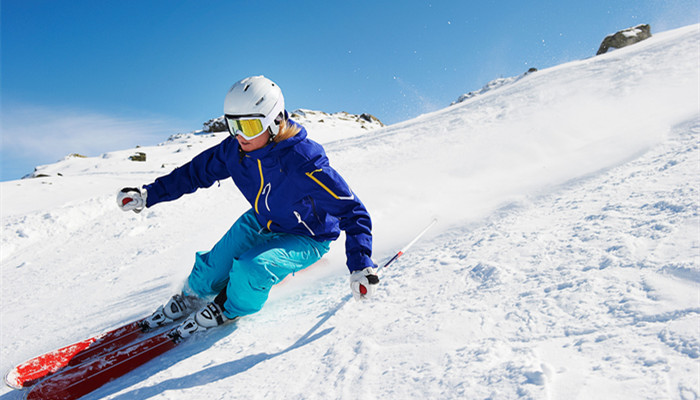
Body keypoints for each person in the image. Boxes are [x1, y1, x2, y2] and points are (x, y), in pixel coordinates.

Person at [117, 76, 379, 338]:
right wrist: (148, 194)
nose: (241, 135)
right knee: (210, 271)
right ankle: (190, 298)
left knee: (250, 269)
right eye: (233, 125)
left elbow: (352, 211)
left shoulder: (303, 160)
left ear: (275, 121)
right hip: (262, 221)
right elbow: (195, 173)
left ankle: (230, 309)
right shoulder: (236, 150)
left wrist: (359, 264)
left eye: (251, 126)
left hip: (308, 236)